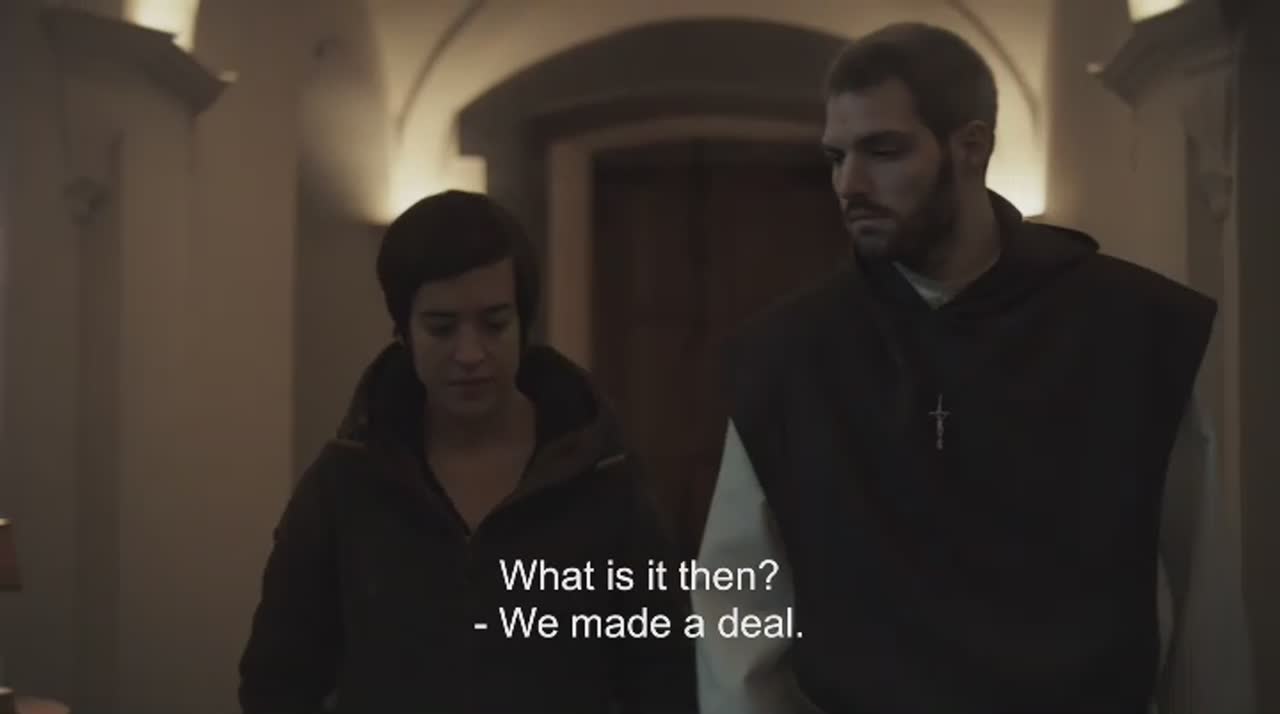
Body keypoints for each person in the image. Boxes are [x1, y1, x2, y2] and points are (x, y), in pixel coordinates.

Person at [693, 22, 1254, 714]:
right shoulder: (790, 355)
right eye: (836, 156)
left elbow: (1203, 597)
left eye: (883, 150)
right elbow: (738, 614)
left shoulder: (1130, 330)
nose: (848, 183)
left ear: (972, 146)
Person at [239, 191, 697, 713]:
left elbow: (667, 676)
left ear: (523, 326)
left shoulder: (603, 479)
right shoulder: (345, 482)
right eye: (441, 327)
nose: (470, 353)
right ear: (404, 332)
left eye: (494, 323)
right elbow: (276, 680)